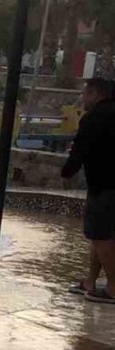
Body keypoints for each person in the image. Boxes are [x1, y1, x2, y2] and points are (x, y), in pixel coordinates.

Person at [61, 77, 115, 304]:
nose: (82, 98)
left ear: (94, 93)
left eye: (85, 93)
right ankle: (90, 281)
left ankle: (113, 289)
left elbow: (80, 150)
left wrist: (67, 174)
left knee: (101, 236)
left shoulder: (94, 118)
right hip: (107, 186)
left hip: (105, 185)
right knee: (101, 236)